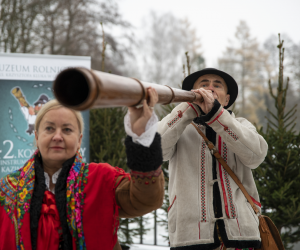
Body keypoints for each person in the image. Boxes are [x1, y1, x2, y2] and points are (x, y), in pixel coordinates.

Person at [0, 87, 164, 250]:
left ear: (79, 140)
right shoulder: (7, 190)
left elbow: (145, 200)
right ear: (36, 136)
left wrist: (143, 139)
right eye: (49, 128)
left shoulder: (102, 179)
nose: (57, 136)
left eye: (67, 129)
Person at [157, 68, 268, 250]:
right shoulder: (177, 126)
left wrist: (217, 116)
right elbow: (154, 151)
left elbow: (256, 156)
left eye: (217, 85)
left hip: (242, 235)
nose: (209, 89)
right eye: (203, 85)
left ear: (226, 99)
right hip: (190, 236)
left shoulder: (241, 125)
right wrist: (187, 108)